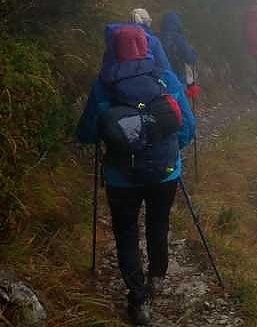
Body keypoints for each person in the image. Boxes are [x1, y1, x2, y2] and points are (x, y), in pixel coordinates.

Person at [77, 24, 195, 326]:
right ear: (147, 47)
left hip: (122, 177)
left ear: (113, 51)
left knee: (126, 232)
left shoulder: (103, 86)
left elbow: (87, 133)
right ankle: (157, 276)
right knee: (159, 222)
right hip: (165, 173)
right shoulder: (167, 78)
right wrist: (172, 150)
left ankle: (139, 300)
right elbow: (187, 126)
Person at [157, 11, 198, 87]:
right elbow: (189, 58)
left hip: (159, 79)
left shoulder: (156, 37)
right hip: (177, 78)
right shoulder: (179, 39)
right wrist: (194, 54)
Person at [126, 8, 171, 72]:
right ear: (147, 22)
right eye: (149, 21)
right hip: (146, 76)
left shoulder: (118, 37)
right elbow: (164, 67)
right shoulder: (153, 41)